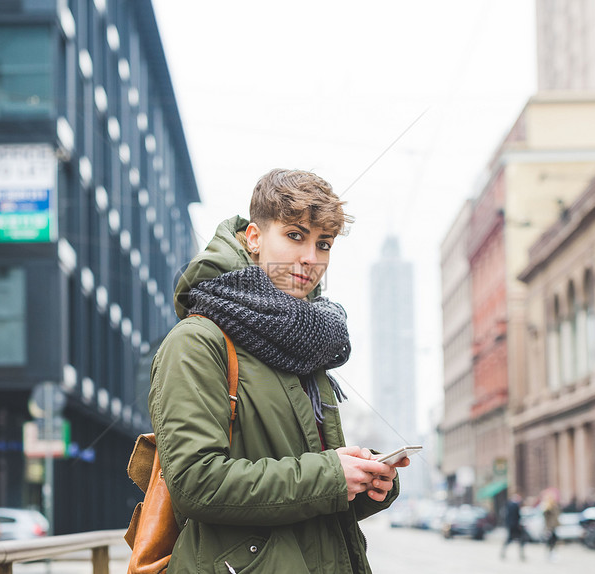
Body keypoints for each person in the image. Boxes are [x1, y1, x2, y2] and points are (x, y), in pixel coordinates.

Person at [149, 168, 409, 573]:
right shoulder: (197, 341)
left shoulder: (306, 342)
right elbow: (195, 484)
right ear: (254, 238)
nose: (311, 258)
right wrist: (331, 475)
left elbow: (304, 498)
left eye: (323, 244)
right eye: (294, 235)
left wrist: (364, 480)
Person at [500, 493, 526, 561]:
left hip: (511, 526)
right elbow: (517, 516)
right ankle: (521, 555)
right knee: (519, 540)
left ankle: (504, 553)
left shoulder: (508, 505)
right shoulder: (514, 505)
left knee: (511, 540)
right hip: (515, 526)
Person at [542, 490, 560, 560]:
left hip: (554, 525)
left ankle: (552, 553)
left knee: (554, 540)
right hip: (550, 526)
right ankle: (550, 554)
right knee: (551, 540)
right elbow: (546, 518)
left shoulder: (554, 505)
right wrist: (547, 527)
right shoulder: (547, 507)